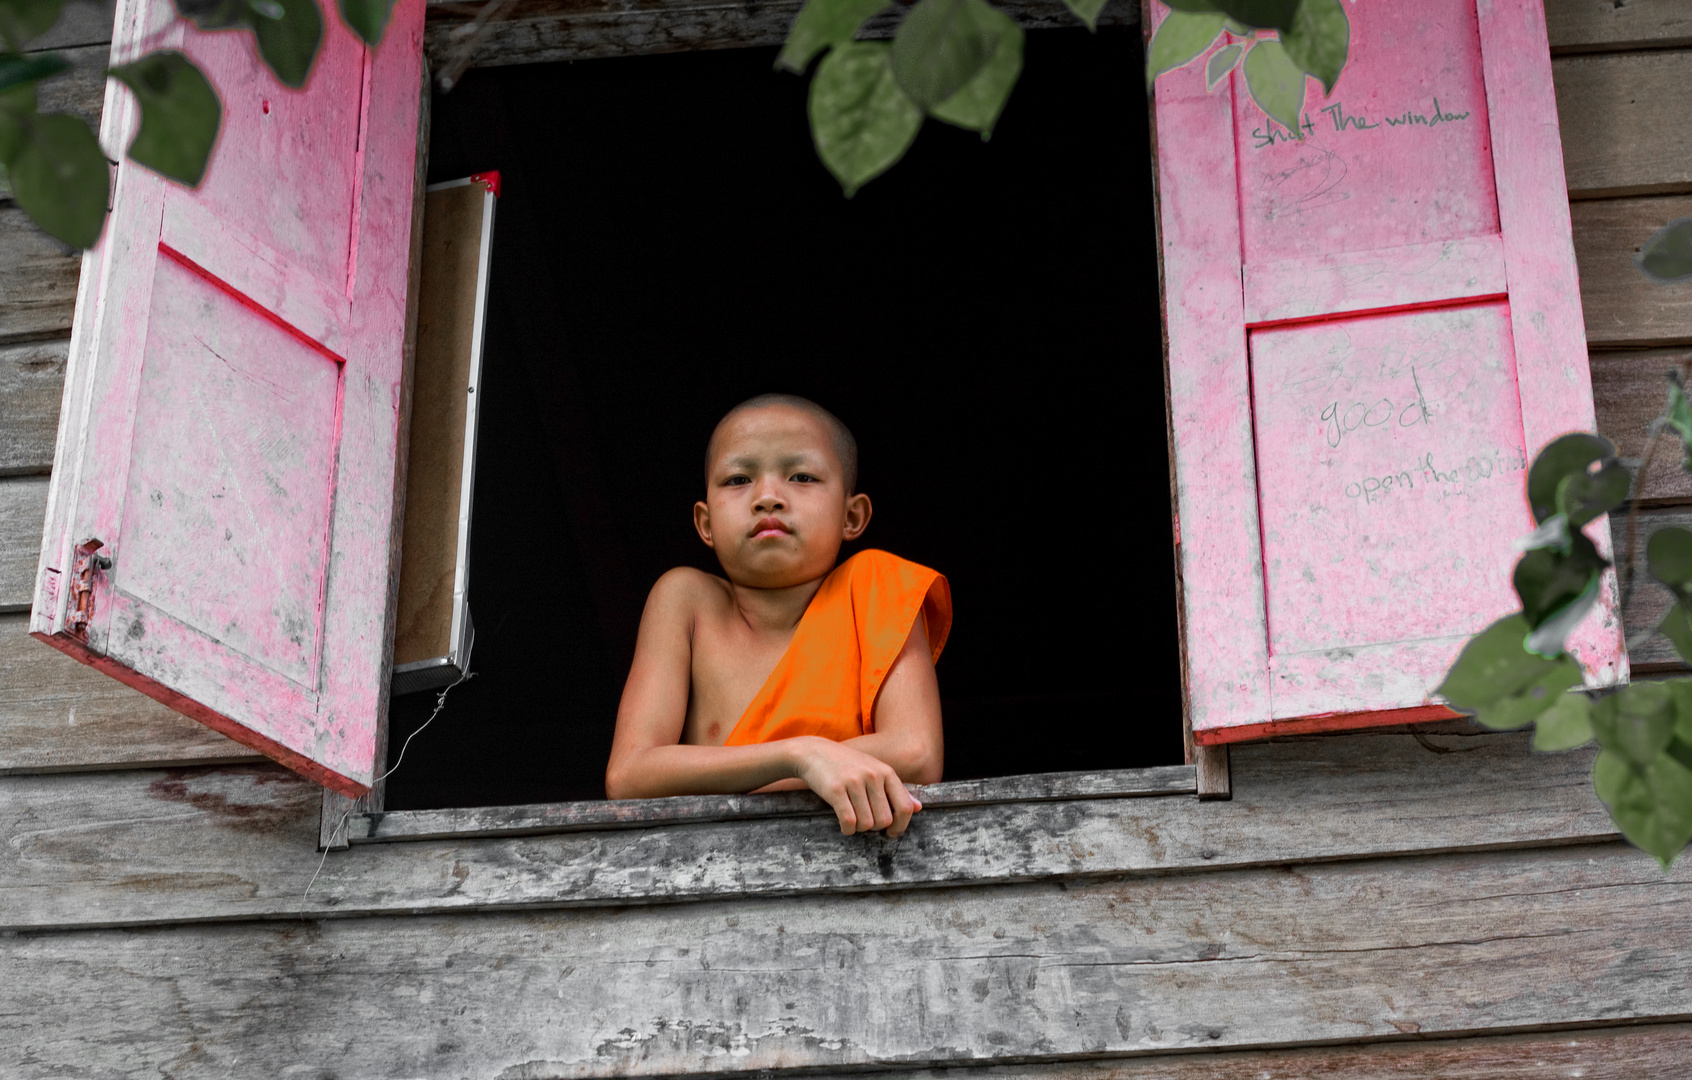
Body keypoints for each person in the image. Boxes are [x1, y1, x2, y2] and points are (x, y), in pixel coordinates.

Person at [605, 394, 950, 837]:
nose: (768, 497)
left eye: (802, 476)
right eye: (738, 479)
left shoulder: (877, 586)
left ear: (852, 515)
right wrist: (802, 757)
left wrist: (788, 763)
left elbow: (917, 751)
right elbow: (630, 773)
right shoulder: (687, 602)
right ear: (706, 524)